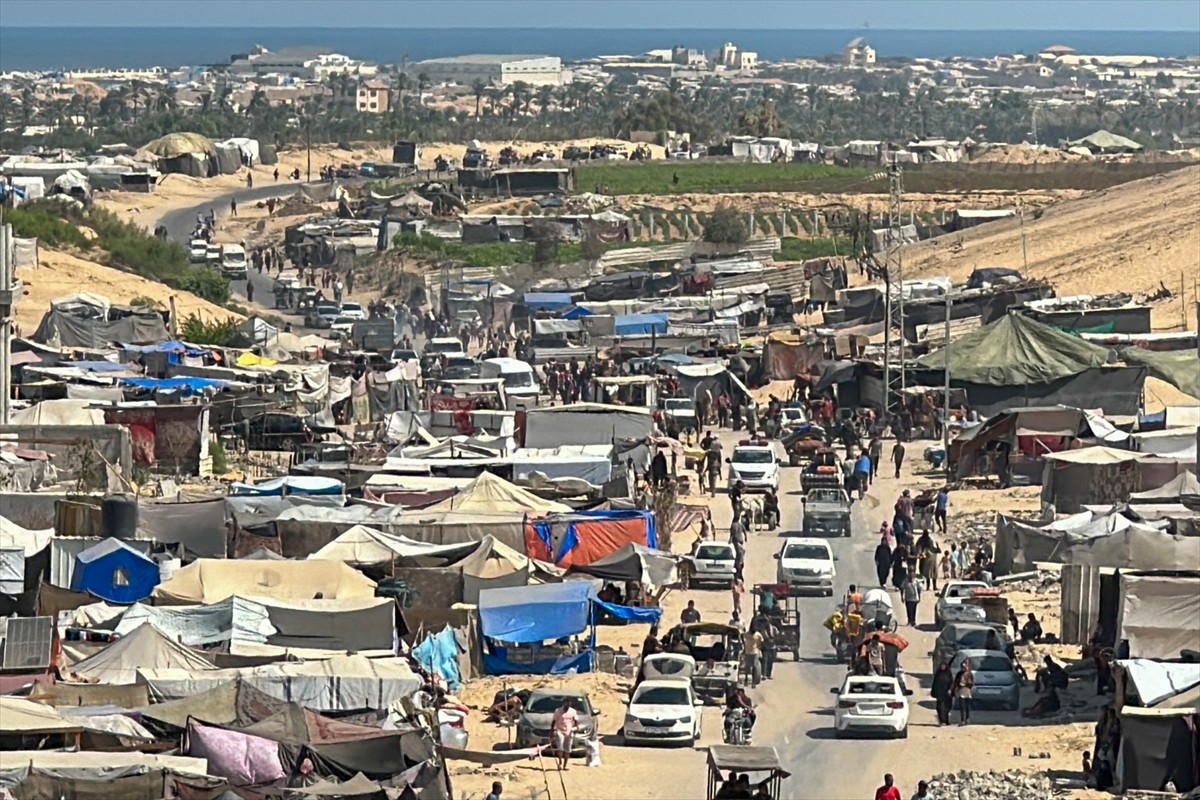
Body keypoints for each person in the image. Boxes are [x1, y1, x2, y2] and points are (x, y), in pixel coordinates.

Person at [550, 698, 579, 771]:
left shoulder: (573, 711)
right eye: (566, 704)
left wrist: (577, 727)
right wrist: (551, 731)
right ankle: (560, 762)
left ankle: (565, 765)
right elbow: (554, 721)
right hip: (560, 730)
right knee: (560, 748)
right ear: (564, 703)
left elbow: (576, 720)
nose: (567, 705)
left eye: (569, 704)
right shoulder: (558, 711)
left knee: (567, 749)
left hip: (569, 731)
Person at [932, 660, 954, 726]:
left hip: (947, 693)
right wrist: (933, 691)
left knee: (947, 707)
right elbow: (934, 682)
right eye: (942, 666)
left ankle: (946, 720)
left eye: (944, 666)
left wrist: (950, 689)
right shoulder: (938, 673)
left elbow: (951, 682)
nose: (943, 667)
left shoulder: (948, 674)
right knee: (940, 707)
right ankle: (942, 721)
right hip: (939, 693)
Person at [954, 657, 975, 725]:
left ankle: (967, 719)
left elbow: (971, 683)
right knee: (962, 706)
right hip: (961, 691)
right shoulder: (959, 674)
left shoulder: (969, 674)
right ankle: (962, 720)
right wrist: (958, 686)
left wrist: (966, 684)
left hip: (967, 691)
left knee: (967, 706)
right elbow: (956, 681)